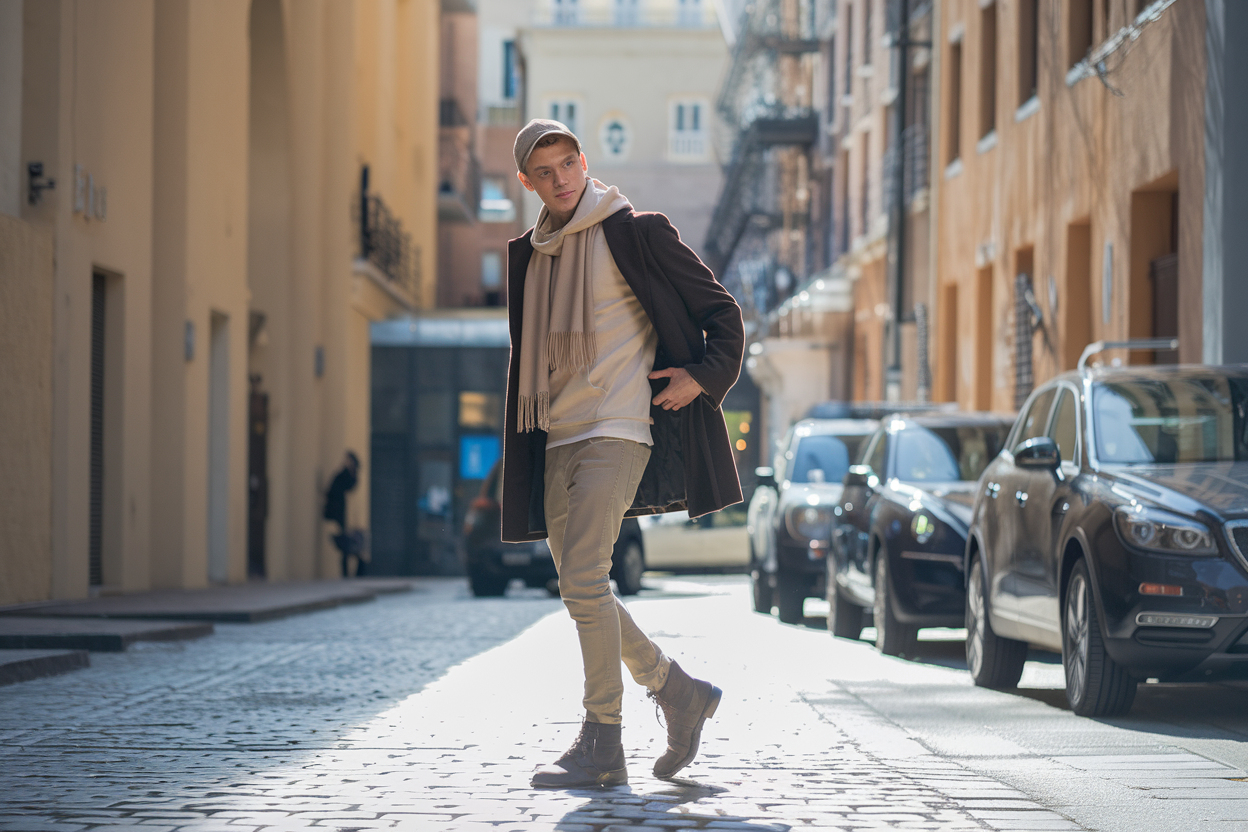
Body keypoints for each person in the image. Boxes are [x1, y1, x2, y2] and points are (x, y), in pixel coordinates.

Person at [501, 119, 745, 788]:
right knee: (584, 588)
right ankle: (679, 692)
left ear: (584, 161)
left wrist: (703, 375)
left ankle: (602, 740)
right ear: (527, 183)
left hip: (620, 426)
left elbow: (721, 311)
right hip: (555, 435)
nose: (559, 180)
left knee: (584, 579)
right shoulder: (531, 255)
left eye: (566, 164)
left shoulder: (635, 231)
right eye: (543, 173)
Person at [323, 451, 362, 577]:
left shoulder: (351, 475)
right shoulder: (341, 475)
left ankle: (350, 571)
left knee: (349, 542)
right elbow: (331, 491)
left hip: (346, 512)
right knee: (344, 542)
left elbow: (352, 485)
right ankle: (345, 572)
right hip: (337, 512)